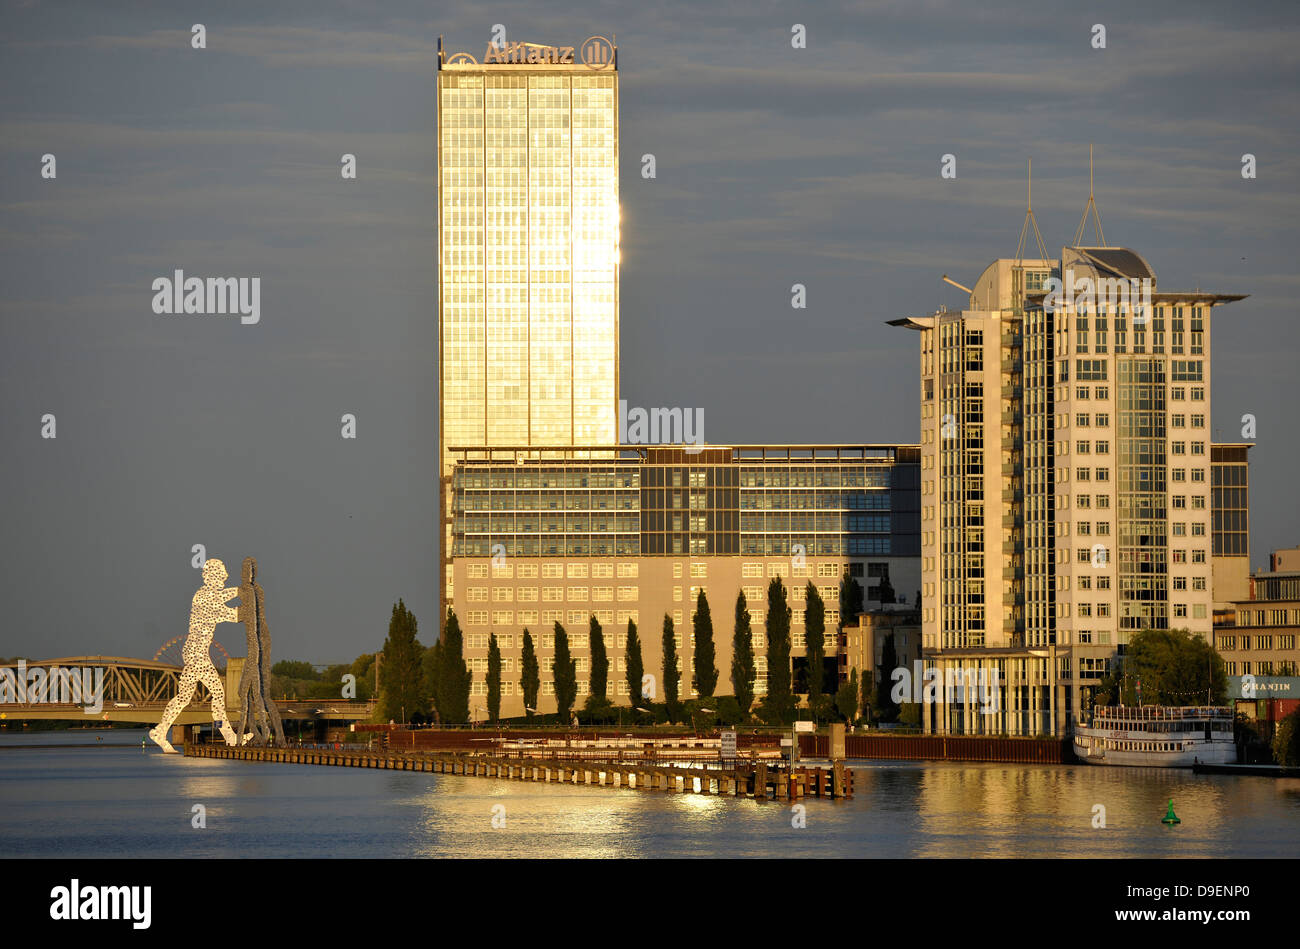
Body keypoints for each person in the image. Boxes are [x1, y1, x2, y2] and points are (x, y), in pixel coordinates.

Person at [149, 559, 241, 753]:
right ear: (211, 576)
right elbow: (232, 615)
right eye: (221, 574)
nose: (224, 577)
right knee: (216, 693)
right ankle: (230, 737)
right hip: (196, 654)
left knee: (185, 697)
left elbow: (223, 596)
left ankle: (160, 730)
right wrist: (248, 598)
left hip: (195, 652)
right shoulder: (204, 597)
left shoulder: (206, 594)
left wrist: (242, 592)